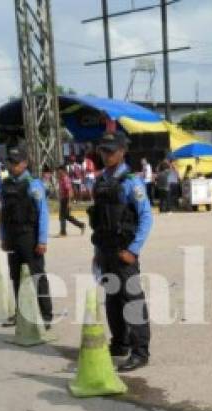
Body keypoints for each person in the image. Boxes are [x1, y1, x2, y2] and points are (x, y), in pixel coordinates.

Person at [88, 131, 153, 372]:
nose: (106, 155)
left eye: (111, 151)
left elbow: (146, 217)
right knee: (113, 300)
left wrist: (133, 250)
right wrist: (97, 251)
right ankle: (119, 344)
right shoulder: (100, 181)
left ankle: (140, 351)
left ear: (122, 152)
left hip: (124, 251)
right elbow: (99, 221)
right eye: (103, 151)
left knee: (132, 300)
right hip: (105, 250)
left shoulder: (131, 182)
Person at [0, 145, 52, 327]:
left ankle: (46, 316)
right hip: (12, 237)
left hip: (30, 236)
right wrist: (3, 237)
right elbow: (3, 214)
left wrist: (42, 240)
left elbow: (43, 212)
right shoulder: (6, 185)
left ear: (24, 163)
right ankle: (21, 313)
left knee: (37, 276)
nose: (12, 166)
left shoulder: (33, 184)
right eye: (10, 162)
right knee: (16, 276)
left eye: (15, 163)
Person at [55, 164, 85, 237]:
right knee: (67, 216)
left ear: (63, 171)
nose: (57, 173)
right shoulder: (61, 179)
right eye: (57, 172)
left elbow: (70, 191)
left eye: (59, 172)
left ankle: (63, 232)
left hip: (66, 199)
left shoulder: (65, 179)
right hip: (63, 199)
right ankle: (81, 225)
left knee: (62, 216)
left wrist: (69, 202)